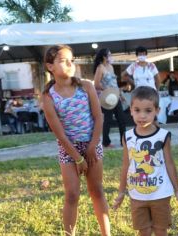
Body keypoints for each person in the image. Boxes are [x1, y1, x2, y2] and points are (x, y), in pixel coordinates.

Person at [41, 45, 110, 236]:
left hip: (91, 144)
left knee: (96, 191)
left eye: (72, 59)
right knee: (72, 195)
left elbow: (99, 118)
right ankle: (69, 234)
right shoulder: (48, 97)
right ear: (50, 66)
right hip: (68, 149)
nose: (70, 64)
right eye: (63, 61)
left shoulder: (86, 87)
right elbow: (60, 134)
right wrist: (77, 157)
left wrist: (92, 147)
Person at [112, 86, 178, 235]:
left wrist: (177, 191)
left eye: (148, 110)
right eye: (137, 110)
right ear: (131, 110)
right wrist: (121, 192)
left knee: (160, 230)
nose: (142, 116)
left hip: (160, 194)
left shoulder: (163, 136)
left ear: (157, 111)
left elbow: (170, 164)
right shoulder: (127, 136)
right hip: (137, 195)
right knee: (143, 231)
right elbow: (126, 165)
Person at [93, 48, 126, 147]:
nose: (111, 57)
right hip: (106, 98)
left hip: (115, 96)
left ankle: (123, 141)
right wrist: (107, 90)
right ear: (104, 57)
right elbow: (96, 84)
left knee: (121, 119)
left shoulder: (111, 67)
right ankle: (106, 142)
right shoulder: (100, 68)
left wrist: (120, 94)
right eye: (109, 55)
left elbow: (114, 83)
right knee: (108, 120)